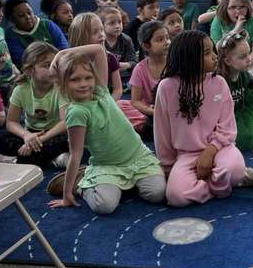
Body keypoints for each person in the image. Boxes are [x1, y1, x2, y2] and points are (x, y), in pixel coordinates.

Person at [49, 44, 166, 213]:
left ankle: (125, 183)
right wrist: (67, 195)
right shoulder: (76, 112)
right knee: (104, 206)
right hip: (107, 165)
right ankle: (81, 184)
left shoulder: (101, 90)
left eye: (88, 77)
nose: (83, 84)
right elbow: (76, 153)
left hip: (137, 157)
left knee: (157, 194)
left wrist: (61, 53)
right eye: (75, 79)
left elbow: (98, 49)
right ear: (63, 83)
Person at [153, 30, 246, 205]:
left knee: (234, 170)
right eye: (207, 53)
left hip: (220, 149)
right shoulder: (166, 87)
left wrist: (210, 153)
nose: (215, 56)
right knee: (175, 197)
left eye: (213, 50)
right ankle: (214, 186)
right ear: (189, 59)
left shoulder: (219, 82)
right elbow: (162, 133)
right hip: (185, 155)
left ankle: (218, 183)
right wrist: (168, 168)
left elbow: (228, 128)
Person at [0, 42, 70, 168]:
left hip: (54, 134)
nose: (53, 68)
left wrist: (40, 140)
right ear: (30, 70)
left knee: (70, 139)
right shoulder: (20, 90)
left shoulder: (60, 88)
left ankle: (17, 160)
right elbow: (11, 122)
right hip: (30, 134)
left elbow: (65, 123)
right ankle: (54, 160)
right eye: (47, 65)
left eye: (55, 64)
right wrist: (26, 135)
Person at [215, 22, 253, 157]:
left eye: (248, 54)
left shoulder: (245, 75)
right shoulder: (219, 81)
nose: (249, 60)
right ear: (227, 61)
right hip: (222, 122)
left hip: (240, 115)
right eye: (242, 57)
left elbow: (250, 100)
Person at [128, 20, 171, 139]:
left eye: (167, 38)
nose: (167, 42)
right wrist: (152, 111)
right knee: (120, 105)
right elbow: (135, 101)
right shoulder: (140, 69)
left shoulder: (175, 63)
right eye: (160, 40)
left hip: (173, 109)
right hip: (151, 112)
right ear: (146, 46)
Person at [4, 0, 68, 65]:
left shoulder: (47, 25)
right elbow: (22, 59)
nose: (28, 17)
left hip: (58, 64)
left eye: (29, 12)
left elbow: (63, 47)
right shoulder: (11, 35)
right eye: (21, 15)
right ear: (12, 19)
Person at [209, 0, 253, 66]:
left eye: (242, 7)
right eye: (232, 7)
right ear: (225, 8)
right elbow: (219, 48)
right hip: (226, 65)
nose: (238, 11)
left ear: (247, 7)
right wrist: (235, 30)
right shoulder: (218, 21)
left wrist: (245, 65)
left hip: (249, 65)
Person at [98, 4, 137, 74]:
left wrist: (126, 65)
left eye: (119, 22)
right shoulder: (99, 40)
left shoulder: (126, 40)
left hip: (122, 77)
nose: (117, 26)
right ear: (102, 25)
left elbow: (134, 61)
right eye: (112, 23)